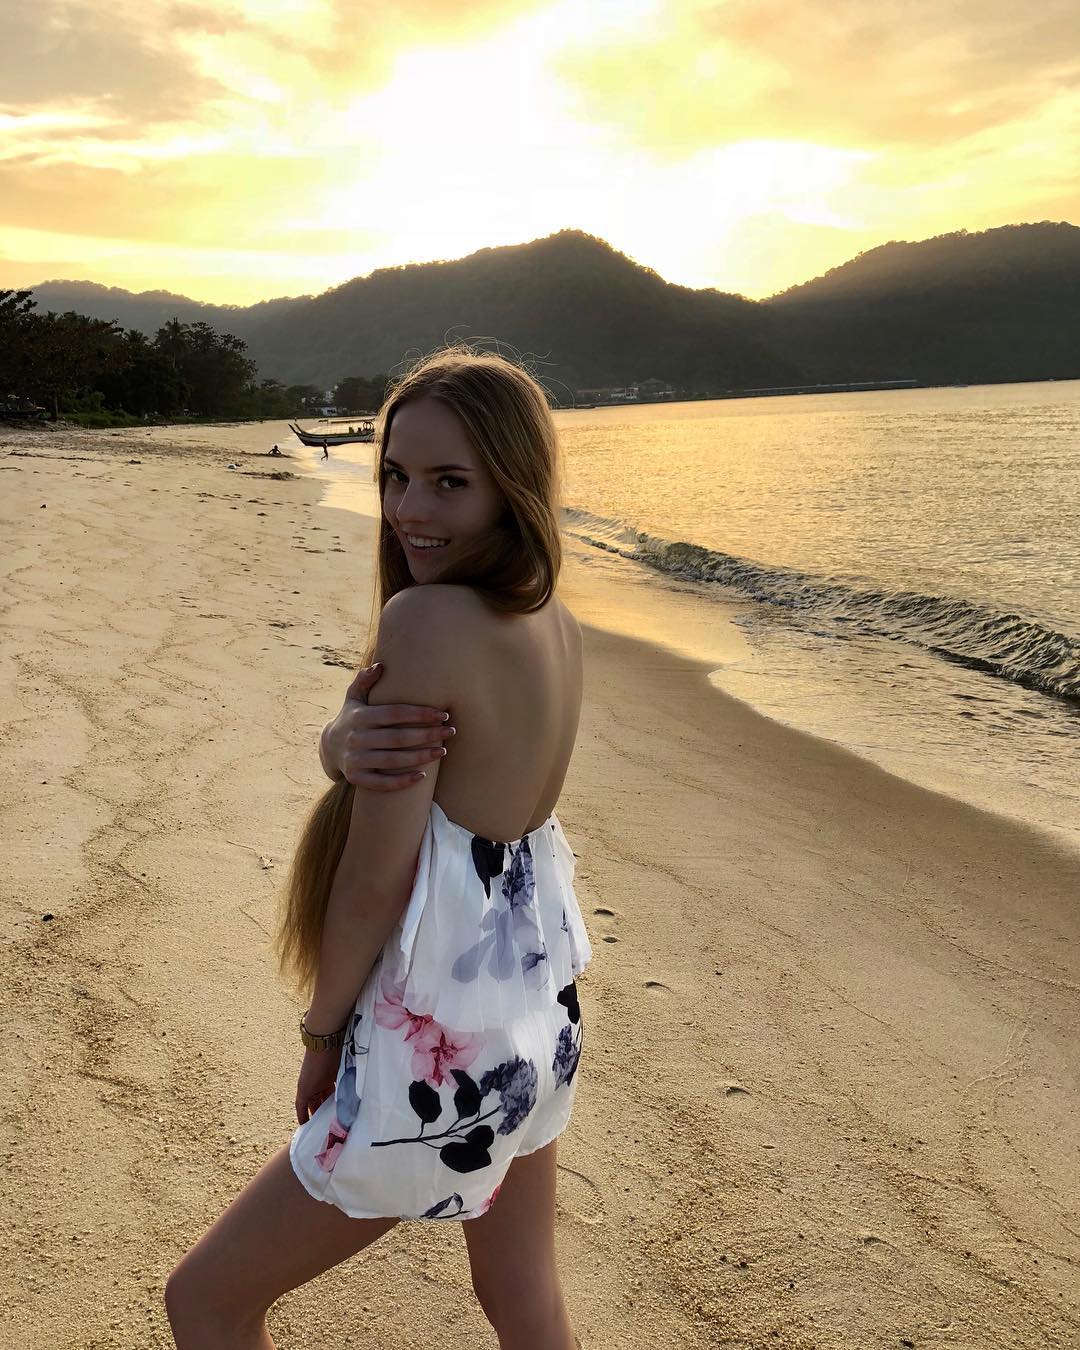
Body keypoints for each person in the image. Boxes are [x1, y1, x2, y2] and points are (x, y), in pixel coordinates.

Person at [166, 349, 591, 1349]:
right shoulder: (554, 623)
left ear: (513, 486)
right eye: (396, 476)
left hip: (443, 1045)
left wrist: (321, 1040)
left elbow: (374, 880)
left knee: (207, 1301)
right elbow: (478, 807)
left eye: (450, 482)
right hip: (536, 1019)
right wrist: (337, 746)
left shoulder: (428, 620)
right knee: (525, 1300)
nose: (409, 510)